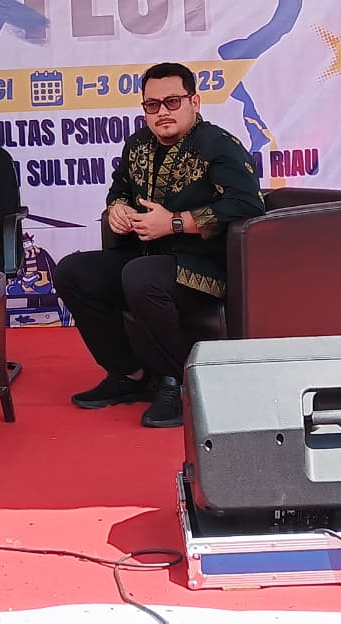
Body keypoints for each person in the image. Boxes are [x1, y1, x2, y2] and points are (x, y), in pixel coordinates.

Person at [54, 62, 264, 428]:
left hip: (205, 267)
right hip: (144, 255)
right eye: (152, 105)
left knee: (141, 276)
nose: (162, 112)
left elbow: (248, 205)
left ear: (194, 102)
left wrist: (176, 222)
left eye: (172, 101)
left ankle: (178, 383)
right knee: (73, 272)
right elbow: (119, 189)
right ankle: (128, 374)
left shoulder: (219, 145)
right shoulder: (137, 145)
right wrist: (117, 209)